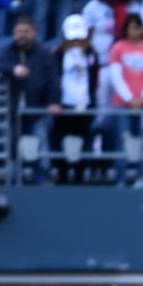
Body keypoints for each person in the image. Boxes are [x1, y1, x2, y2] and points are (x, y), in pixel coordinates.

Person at [0, 15, 61, 184]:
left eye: (26, 31)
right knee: (12, 147)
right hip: (14, 110)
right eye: (18, 32)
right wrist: (13, 68)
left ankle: (43, 179)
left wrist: (54, 101)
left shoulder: (44, 54)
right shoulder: (8, 51)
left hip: (38, 110)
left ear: (34, 32)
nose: (22, 35)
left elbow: (53, 79)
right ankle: (14, 179)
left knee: (41, 145)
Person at [106, 13, 143, 184]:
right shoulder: (118, 48)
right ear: (126, 30)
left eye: (137, 28)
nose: (134, 32)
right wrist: (129, 98)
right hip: (122, 104)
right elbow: (115, 76)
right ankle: (120, 181)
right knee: (123, 141)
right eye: (131, 28)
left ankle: (141, 179)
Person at [50, 13, 100, 184]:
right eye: (73, 38)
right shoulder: (57, 54)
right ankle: (62, 175)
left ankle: (80, 177)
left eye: (80, 38)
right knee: (62, 142)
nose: (76, 42)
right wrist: (56, 101)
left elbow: (93, 80)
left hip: (84, 105)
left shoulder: (92, 55)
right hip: (64, 105)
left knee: (82, 142)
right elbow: (54, 79)